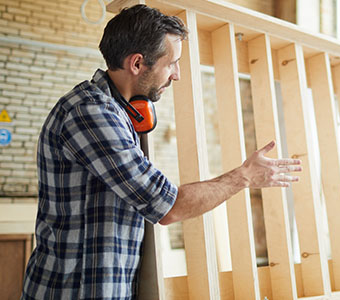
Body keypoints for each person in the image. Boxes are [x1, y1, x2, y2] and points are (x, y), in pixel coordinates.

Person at [21, 5, 301, 299]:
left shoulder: (118, 111)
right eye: (172, 63)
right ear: (138, 63)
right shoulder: (91, 114)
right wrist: (244, 176)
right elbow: (168, 206)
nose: (177, 75)